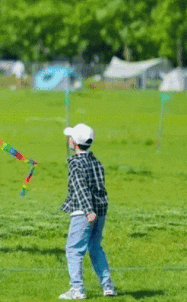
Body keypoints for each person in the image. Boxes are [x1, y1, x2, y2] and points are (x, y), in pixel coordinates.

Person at [59, 123, 116, 300]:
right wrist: (97, 211)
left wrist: (88, 211)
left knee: (73, 250)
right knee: (95, 248)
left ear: (75, 143)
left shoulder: (76, 164)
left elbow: (81, 189)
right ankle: (108, 287)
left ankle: (77, 290)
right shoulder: (96, 162)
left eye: (71, 137)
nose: (69, 140)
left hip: (83, 212)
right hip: (101, 211)